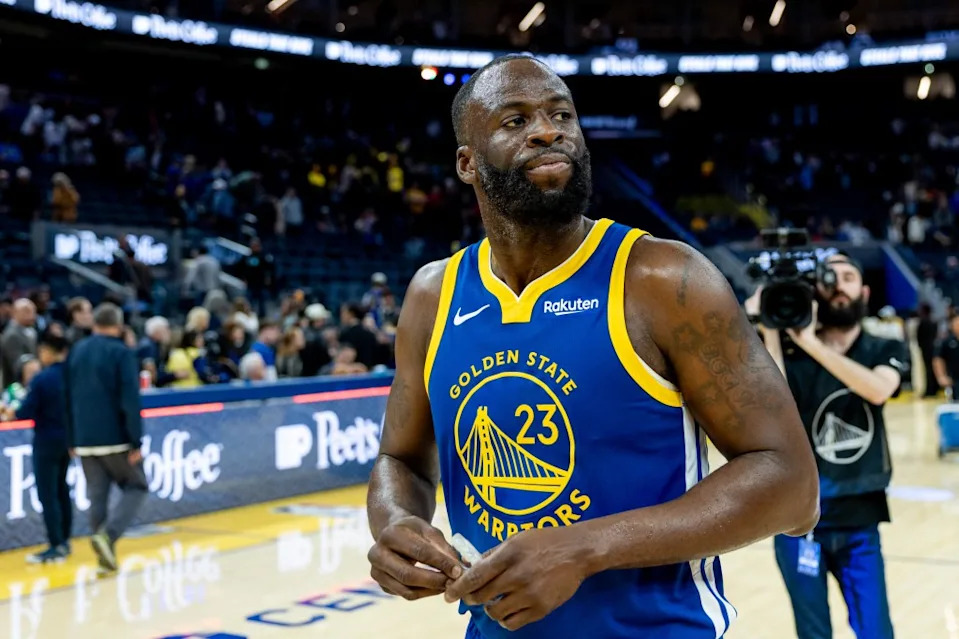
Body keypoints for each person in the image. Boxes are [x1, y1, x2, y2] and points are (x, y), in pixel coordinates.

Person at [366, 54, 819, 638]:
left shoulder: (663, 279)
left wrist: (584, 548)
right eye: (515, 120)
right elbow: (400, 459)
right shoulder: (433, 296)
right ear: (467, 162)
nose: (548, 131)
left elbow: (793, 487)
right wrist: (395, 522)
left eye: (562, 115)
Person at [750, 253, 908, 639]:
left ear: (864, 292)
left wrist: (809, 342)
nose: (838, 286)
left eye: (848, 277)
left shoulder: (883, 346)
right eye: (828, 278)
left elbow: (878, 389)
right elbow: (774, 407)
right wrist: (771, 330)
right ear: (814, 293)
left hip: (860, 517)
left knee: (877, 631)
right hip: (797, 520)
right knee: (813, 633)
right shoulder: (789, 352)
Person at [64, 303, 148, 573]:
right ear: (119, 325)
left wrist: (71, 438)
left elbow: (66, 397)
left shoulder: (77, 350)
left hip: (84, 438)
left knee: (97, 497)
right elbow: (130, 399)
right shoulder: (121, 353)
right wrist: (136, 440)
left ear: (94, 323)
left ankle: (105, 559)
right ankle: (108, 537)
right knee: (137, 486)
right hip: (115, 437)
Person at [16, 334, 72, 563]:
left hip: (46, 440)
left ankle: (55, 544)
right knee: (62, 489)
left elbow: (25, 412)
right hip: (67, 440)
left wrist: (13, 412)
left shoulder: (42, 379)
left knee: (48, 494)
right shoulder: (72, 375)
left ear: (48, 351)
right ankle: (65, 540)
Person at [1, 298, 37, 388]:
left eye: (33, 311)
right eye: (27, 311)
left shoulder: (31, 331)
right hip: (15, 387)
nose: (32, 315)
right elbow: (17, 366)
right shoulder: (11, 335)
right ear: (14, 313)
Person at [933, 311, 959, 399]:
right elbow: (938, 359)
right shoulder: (947, 342)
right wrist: (941, 376)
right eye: (956, 323)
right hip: (955, 380)